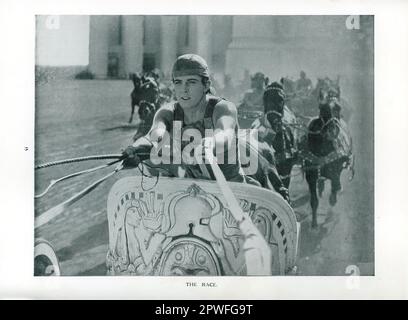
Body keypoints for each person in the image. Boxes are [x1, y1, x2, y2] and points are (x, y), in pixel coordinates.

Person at [121, 54, 289, 201]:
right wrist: (135, 149)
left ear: (206, 84)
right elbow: (155, 135)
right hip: (191, 195)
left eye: (191, 82)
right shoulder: (167, 112)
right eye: (178, 83)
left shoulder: (223, 108)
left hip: (234, 194)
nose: (184, 90)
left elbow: (226, 132)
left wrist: (210, 143)